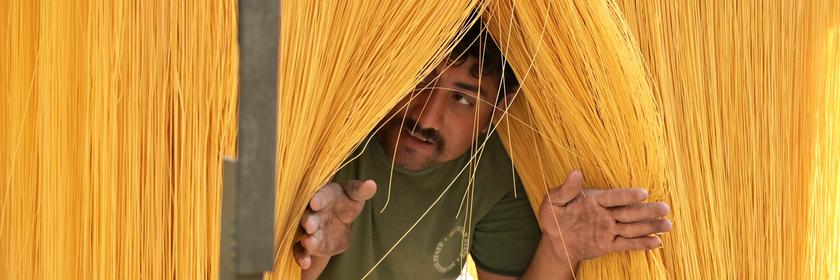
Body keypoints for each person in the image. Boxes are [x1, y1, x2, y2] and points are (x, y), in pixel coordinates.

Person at [293, 23, 672, 279]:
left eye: (462, 99)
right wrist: (312, 251)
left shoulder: (498, 175)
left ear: (500, 107)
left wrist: (561, 250)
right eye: (419, 81)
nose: (426, 116)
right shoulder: (327, 132)